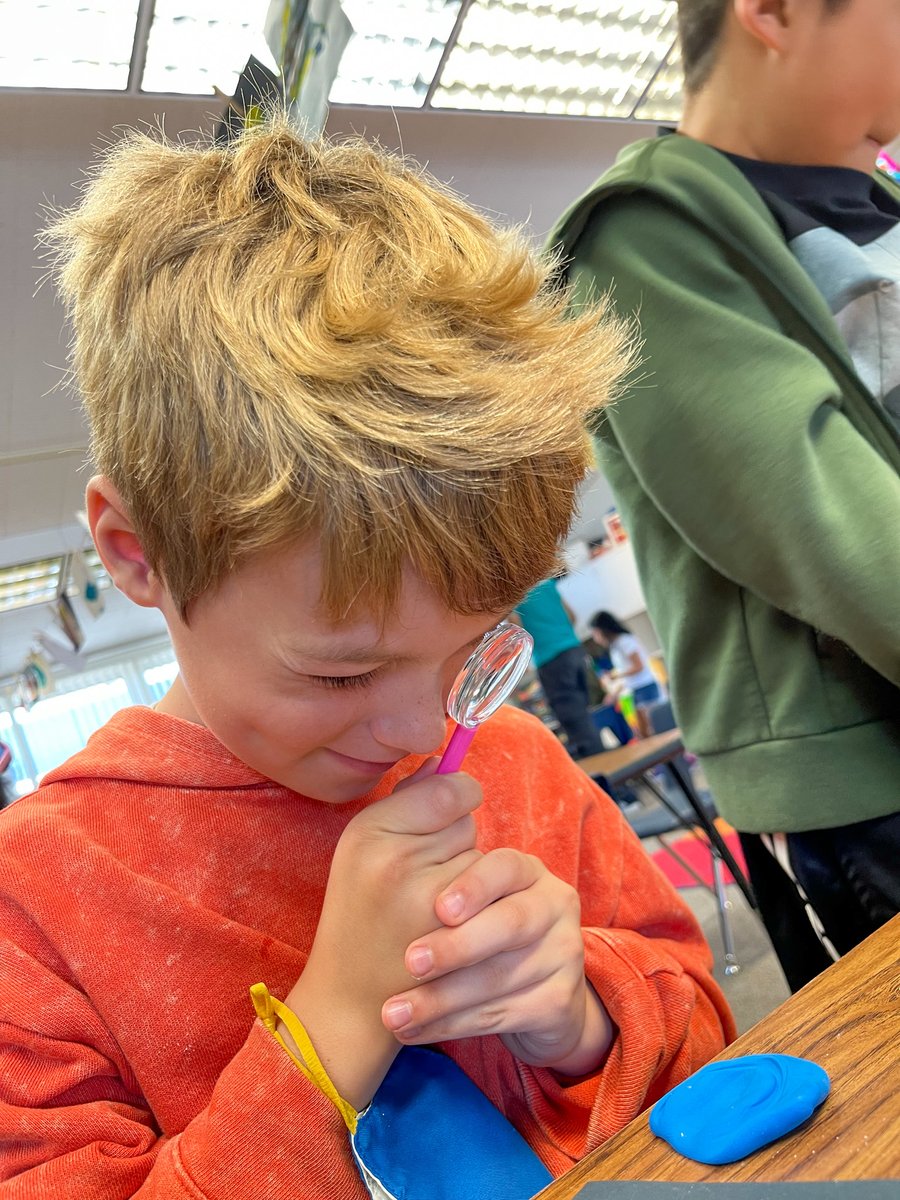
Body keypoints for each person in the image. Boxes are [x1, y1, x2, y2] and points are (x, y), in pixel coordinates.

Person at [0, 118, 733, 1196]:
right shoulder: (40, 904)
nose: (428, 730)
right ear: (137, 555)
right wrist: (337, 1017)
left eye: (477, 648)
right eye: (340, 674)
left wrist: (573, 1017)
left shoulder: (517, 764)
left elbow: (704, 1034)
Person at [548, 0, 900, 991]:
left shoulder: (868, 205)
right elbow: (826, 522)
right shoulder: (642, 241)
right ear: (775, 12)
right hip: (862, 788)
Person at [514, 578, 605, 758]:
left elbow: (517, 629)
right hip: (574, 650)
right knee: (583, 713)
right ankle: (606, 766)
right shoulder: (547, 584)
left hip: (551, 659)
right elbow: (572, 616)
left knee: (574, 721)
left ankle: (603, 776)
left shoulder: (516, 596)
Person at [589, 610, 663, 711]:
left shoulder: (625, 641)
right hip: (634, 689)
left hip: (645, 687)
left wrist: (616, 675)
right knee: (642, 725)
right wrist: (614, 693)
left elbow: (639, 666)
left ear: (603, 630)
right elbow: (626, 675)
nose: (595, 638)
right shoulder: (615, 646)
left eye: (595, 633)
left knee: (656, 722)